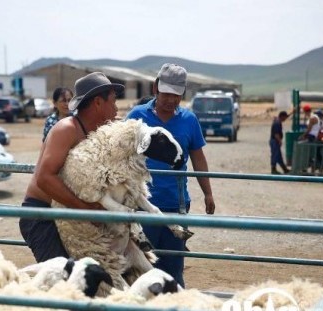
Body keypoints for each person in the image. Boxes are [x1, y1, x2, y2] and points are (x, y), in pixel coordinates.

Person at [19, 72, 124, 262]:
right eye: (113, 101)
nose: (116, 109)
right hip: (43, 215)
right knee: (63, 279)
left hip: (72, 214)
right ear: (98, 103)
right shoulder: (66, 129)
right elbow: (44, 177)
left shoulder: (99, 133)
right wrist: (86, 209)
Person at [126, 63, 215, 287]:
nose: (170, 100)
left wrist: (208, 193)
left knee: (173, 268)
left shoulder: (189, 120)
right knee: (141, 267)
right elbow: (120, 153)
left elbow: (198, 158)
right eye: (166, 94)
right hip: (142, 206)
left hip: (176, 206)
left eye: (176, 95)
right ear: (156, 88)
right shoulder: (137, 116)